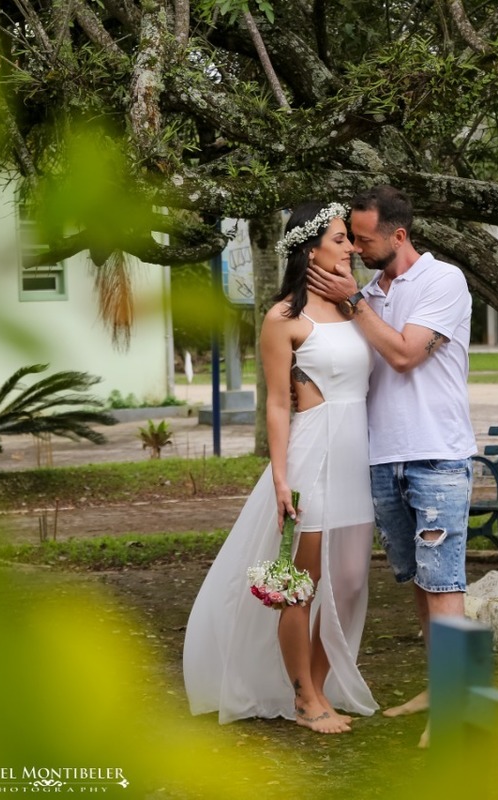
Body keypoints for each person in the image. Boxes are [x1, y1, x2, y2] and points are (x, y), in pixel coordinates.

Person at [183, 202, 378, 734]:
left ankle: (319, 685)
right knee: (301, 583)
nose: (351, 247)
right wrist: (280, 477)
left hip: (357, 457)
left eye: (350, 239)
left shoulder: (356, 308)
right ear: (310, 249)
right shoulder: (283, 319)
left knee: (351, 581)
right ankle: (304, 697)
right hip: (314, 452)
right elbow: (275, 402)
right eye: (340, 238)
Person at [305, 185, 475, 746]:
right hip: (383, 458)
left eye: (363, 239)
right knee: (421, 584)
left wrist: (354, 303)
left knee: (444, 584)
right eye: (350, 238)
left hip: (436, 455)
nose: (355, 248)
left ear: (398, 235)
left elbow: (404, 355)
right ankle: (439, 687)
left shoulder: (443, 280)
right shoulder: (368, 292)